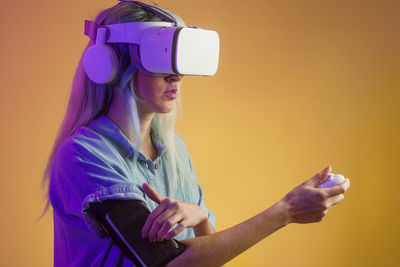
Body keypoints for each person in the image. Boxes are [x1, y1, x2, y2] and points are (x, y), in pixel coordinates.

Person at [40, 1, 350, 266]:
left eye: (178, 56)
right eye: (159, 55)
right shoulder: (83, 155)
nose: (176, 75)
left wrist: (201, 218)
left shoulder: (174, 151)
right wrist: (285, 211)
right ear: (109, 65)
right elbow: (165, 261)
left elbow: (210, 255)